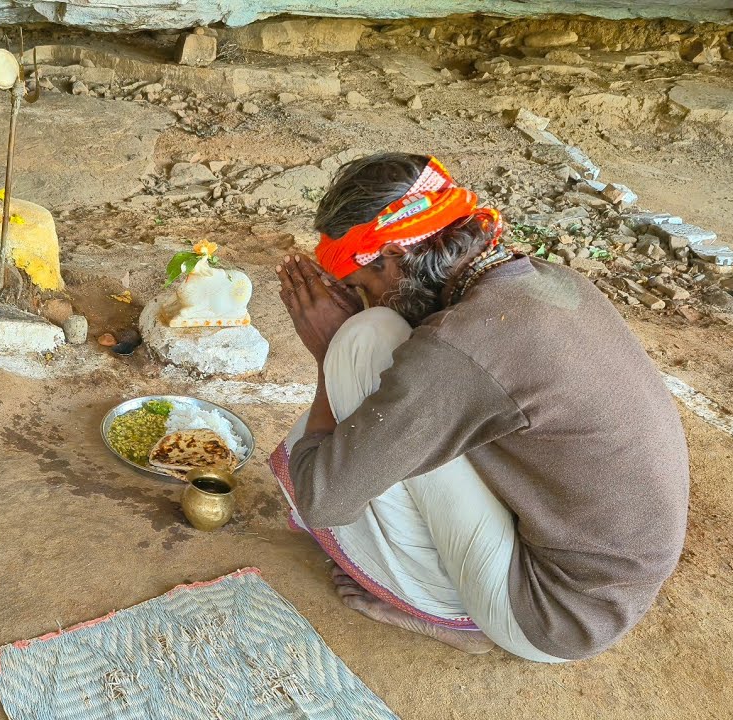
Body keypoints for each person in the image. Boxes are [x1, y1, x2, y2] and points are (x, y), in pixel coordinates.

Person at [270, 152, 689, 662]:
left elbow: (323, 499)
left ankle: (454, 614)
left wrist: (327, 353)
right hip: (606, 590)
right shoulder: (540, 281)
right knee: (387, 360)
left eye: (363, 286)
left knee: (365, 340)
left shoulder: (462, 347)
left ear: (391, 257)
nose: (367, 299)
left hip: (551, 616)